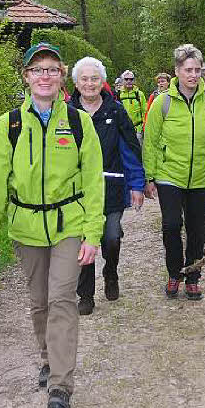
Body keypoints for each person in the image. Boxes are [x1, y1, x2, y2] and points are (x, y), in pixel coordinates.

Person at [0, 42, 105, 408]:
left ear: (62, 76)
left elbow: (94, 182)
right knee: (39, 303)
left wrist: (93, 234)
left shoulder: (79, 123)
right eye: (38, 70)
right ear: (26, 77)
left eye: (52, 69)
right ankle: (48, 359)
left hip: (69, 225)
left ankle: (61, 385)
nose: (45, 76)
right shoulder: (10, 124)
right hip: (26, 227)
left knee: (62, 299)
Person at [142, 44, 205, 300]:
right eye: (188, 70)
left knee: (198, 230)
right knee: (172, 225)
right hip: (169, 175)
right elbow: (150, 141)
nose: (193, 75)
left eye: (197, 70)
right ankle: (174, 273)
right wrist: (149, 177)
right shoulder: (162, 103)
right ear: (177, 71)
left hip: (204, 176)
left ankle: (192, 275)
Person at [69, 57, 145, 315]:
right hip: (78, 192)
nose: (90, 84)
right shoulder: (67, 114)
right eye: (84, 79)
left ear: (102, 81)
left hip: (111, 186)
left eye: (94, 78)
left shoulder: (115, 110)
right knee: (83, 240)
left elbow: (130, 150)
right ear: (76, 83)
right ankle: (86, 294)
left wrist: (137, 184)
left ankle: (111, 272)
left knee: (111, 237)